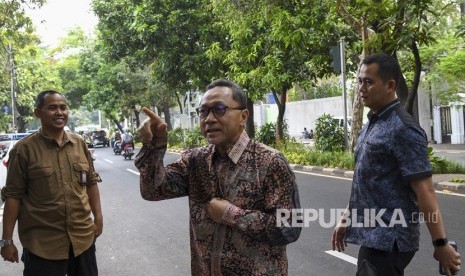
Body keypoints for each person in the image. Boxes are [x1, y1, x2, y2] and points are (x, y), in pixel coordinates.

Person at [135, 79, 301, 275]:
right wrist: (155, 146)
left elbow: (290, 227)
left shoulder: (269, 162)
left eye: (219, 109)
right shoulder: (195, 161)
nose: (209, 119)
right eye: (204, 111)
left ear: (243, 116)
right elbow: (153, 190)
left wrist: (231, 214)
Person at [331, 53, 461, 276]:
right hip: (374, 237)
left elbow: (425, 190)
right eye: (360, 81)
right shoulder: (372, 124)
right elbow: (367, 182)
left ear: (390, 85)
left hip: (390, 240)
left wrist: (441, 244)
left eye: (369, 82)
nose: (361, 88)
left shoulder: (403, 129)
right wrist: (346, 218)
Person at [0, 90, 103, 276]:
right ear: (37, 113)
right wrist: (6, 241)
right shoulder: (23, 151)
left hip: (82, 240)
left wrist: (99, 218)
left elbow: (91, 183)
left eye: (63, 107)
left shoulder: (79, 143)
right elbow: (13, 197)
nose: (59, 112)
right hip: (42, 245)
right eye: (52, 108)